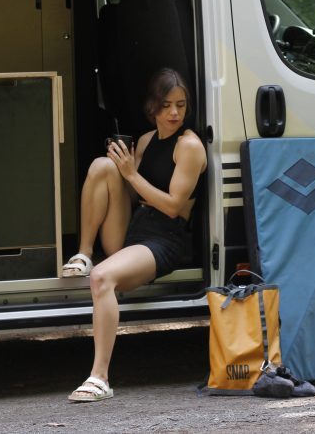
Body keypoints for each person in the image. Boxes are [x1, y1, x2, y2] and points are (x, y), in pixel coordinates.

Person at [62, 68, 207, 402]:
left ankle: (99, 378)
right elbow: (132, 195)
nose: (174, 113)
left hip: (164, 240)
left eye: (181, 106)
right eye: (167, 105)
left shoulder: (189, 146)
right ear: (152, 107)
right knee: (101, 165)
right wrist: (119, 171)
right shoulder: (144, 141)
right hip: (135, 229)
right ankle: (83, 251)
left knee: (102, 278)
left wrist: (130, 174)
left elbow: (172, 207)